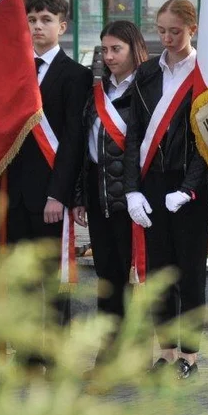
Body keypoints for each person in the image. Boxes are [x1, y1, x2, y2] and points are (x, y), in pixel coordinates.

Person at [123, 0, 208, 379]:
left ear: (192, 29)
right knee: (159, 273)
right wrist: (132, 188)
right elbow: (134, 135)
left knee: (188, 273)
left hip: (188, 185)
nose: (167, 38)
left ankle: (190, 356)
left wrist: (189, 188)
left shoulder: (206, 74)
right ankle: (166, 352)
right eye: (161, 30)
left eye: (175, 31)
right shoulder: (146, 73)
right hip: (152, 182)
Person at [5, 0, 92, 331]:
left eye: (46, 20)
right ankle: (28, 355)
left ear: (63, 26)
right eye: (31, 20)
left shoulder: (75, 75)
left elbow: (73, 141)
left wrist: (59, 193)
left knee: (54, 280)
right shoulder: (13, 71)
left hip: (51, 193)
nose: (38, 26)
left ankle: (56, 353)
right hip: (15, 193)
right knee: (22, 280)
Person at [73, 21, 147, 333]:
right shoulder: (95, 93)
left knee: (136, 276)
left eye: (116, 49)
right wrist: (79, 196)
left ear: (134, 50)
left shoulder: (146, 90)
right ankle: (110, 345)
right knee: (107, 276)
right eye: (105, 50)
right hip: (98, 193)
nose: (109, 56)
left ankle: (137, 347)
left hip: (132, 197)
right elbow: (81, 147)